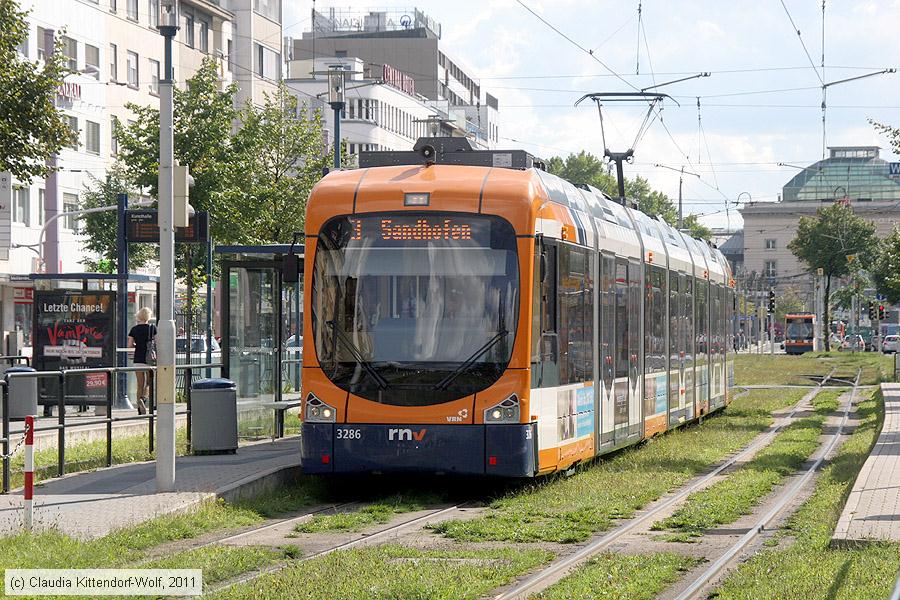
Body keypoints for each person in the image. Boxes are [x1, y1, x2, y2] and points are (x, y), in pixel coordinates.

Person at [128, 307, 157, 415]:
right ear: (148, 317)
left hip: (138, 358)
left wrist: (137, 345)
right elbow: (157, 343)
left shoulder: (134, 329)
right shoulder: (152, 328)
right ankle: (144, 399)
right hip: (149, 359)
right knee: (149, 383)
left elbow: (130, 345)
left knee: (140, 384)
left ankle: (139, 407)